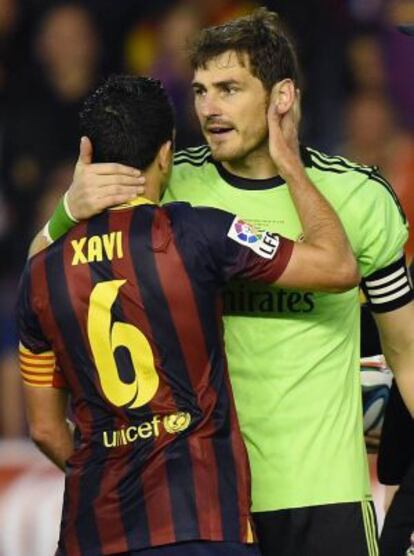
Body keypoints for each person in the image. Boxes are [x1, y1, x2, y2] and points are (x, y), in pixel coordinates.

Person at [30, 9, 414, 556]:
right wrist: (68, 210)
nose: (209, 108)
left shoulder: (360, 197)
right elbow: (42, 279)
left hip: (326, 497)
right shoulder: (168, 186)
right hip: (214, 504)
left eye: (229, 89)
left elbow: (406, 354)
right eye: (201, 91)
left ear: (281, 97)